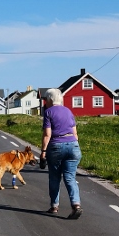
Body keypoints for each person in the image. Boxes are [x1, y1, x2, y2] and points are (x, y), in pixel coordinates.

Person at [40, 88, 83, 219]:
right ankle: (76, 205)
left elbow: (47, 134)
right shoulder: (68, 111)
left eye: (45, 100)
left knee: (54, 178)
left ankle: (54, 206)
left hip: (56, 147)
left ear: (50, 100)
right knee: (70, 178)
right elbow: (75, 134)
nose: (44, 103)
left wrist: (43, 152)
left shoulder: (48, 112)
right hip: (73, 146)